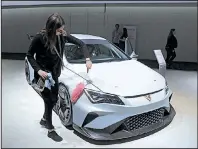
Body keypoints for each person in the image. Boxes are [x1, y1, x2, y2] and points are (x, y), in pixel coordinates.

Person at [26, 13, 92, 142]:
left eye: (62, 29)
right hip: (43, 75)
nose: (62, 32)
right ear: (51, 29)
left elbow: (81, 44)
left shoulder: (62, 36)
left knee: (54, 99)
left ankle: (44, 119)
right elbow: (29, 55)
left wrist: (88, 59)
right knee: (49, 100)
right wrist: (38, 70)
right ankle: (50, 129)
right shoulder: (40, 38)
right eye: (59, 29)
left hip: (54, 74)